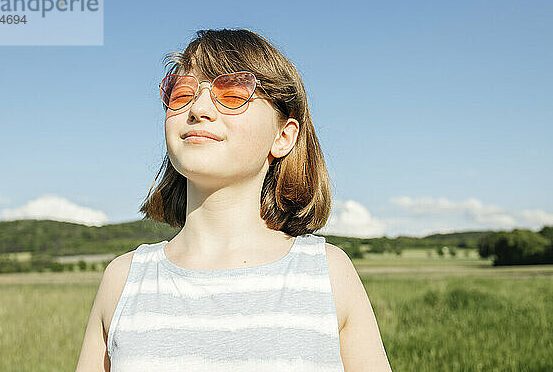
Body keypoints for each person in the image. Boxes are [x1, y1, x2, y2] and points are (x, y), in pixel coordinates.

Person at [75, 28, 392, 372]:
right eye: (182, 92)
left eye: (233, 91)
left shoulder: (327, 273)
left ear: (283, 136)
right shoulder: (123, 280)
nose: (198, 108)